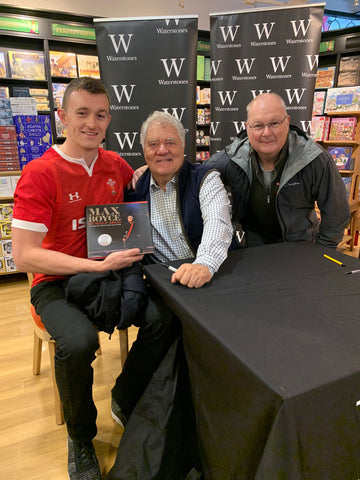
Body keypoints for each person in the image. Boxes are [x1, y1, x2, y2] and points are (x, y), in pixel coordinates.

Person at [11, 78, 179, 480]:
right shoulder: (39, 173)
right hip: (54, 283)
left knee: (165, 318)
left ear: (108, 120)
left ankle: (124, 394)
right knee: (77, 343)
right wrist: (95, 266)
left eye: (100, 115)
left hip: (110, 274)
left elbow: (138, 194)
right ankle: (81, 437)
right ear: (63, 116)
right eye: (82, 113)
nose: (91, 123)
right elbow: (23, 255)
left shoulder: (114, 165)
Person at [206, 92, 350, 248]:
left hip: (301, 247)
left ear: (287, 122)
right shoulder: (232, 159)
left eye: (274, 123)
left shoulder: (315, 159)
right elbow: (196, 176)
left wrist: (322, 253)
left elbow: (337, 213)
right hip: (253, 248)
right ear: (247, 128)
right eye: (258, 125)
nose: (267, 133)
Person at [129, 111, 233, 288]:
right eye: (153, 144)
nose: (162, 150)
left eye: (170, 143)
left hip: (214, 274)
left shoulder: (205, 179)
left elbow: (218, 222)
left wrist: (204, 264)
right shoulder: (136, 189)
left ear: (183, 146)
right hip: (167, 280)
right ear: (144, 150)